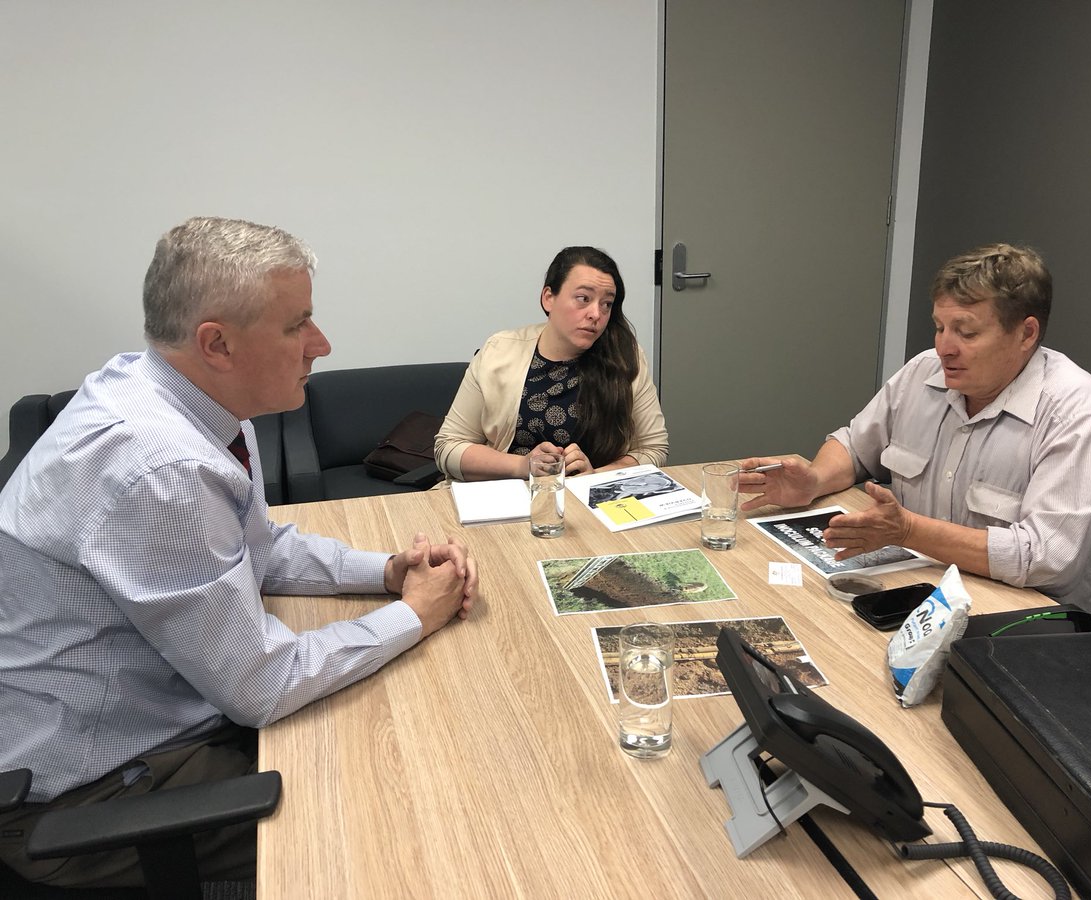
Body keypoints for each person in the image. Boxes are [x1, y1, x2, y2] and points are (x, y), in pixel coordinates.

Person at [0, 216, 479, 888]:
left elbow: (262, 549)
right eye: (297, 325)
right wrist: (416, 615)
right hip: (85, 794)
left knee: (399, 720)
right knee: (404, 800)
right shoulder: (156, 463)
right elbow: (261, 687)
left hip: (162, 710)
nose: (322, 343)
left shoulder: (193, 404)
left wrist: (389, 572)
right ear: (216, 343)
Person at [739, 243, 1091, 623]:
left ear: (1026, 334)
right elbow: (856, 445)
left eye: (966, 332)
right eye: (939, 328)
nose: (944, 348)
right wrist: (816, 479)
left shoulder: (1072, 408)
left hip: (1046, 625)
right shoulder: (925, 371)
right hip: (928, 591)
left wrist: (907, 530)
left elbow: (1045, 559)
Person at [434, 246, 668, 481]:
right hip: (506, 495)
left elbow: (653, 449)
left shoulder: (625, 358)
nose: (596, 314)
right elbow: (448, 447)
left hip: (589, 500)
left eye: (606, 304)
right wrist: (521, 466)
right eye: (583, 299)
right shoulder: (499, 350)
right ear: (548, 298)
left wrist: (595, 476)